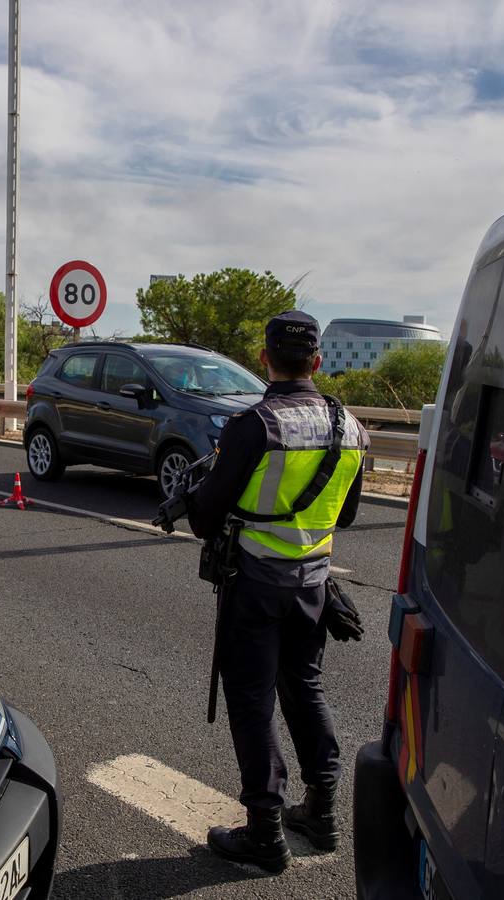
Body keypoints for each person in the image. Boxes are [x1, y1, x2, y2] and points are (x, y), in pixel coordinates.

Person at [185, 310, 368, 872]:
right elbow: (350, 514)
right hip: (315, 585)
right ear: (316, 361)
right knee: (305, 690)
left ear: (264, 358)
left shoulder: (254, 425)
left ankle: (265, 832)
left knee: (252, 700)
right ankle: (323, 812)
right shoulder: (353, 428)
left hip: (256, 584)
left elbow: (203, 517)